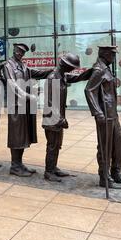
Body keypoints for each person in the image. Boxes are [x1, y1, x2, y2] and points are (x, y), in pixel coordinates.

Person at [84, 45, 121, 188]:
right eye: (112, 55)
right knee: (105, 147)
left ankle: (116, 172)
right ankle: (104, 177)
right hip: (104, 114)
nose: (114, 57)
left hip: (112, 114)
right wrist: (97, 112)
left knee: (119, 142)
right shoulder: (99, 70)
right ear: (105, 54)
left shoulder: (106, 68)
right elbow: (89, 90)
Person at [3, 43, 52, 177]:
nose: (20, 54)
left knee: (23, 135)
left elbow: (38, 72)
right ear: (14, 50)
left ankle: (19, 163)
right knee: (16, 135)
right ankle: (14, 165)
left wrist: (54, 69)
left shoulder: (23, 66)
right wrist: (28, 96)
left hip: (25, 106)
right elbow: (11, 83)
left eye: (22, 52)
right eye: (18, 51)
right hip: (16, 106)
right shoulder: (8, 66)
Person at [42, 53, 92, 182]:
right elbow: (51, 102)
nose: (72, 70)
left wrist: (92, 70)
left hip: (58, 118)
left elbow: (77, 77)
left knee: (57, 144)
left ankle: (53, 167)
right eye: (71, 67)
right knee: (52, 145)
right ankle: (49, 171)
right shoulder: (53, 77)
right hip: (52, 118)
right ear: (65, 65)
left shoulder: (62, 75)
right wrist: (60, 119)